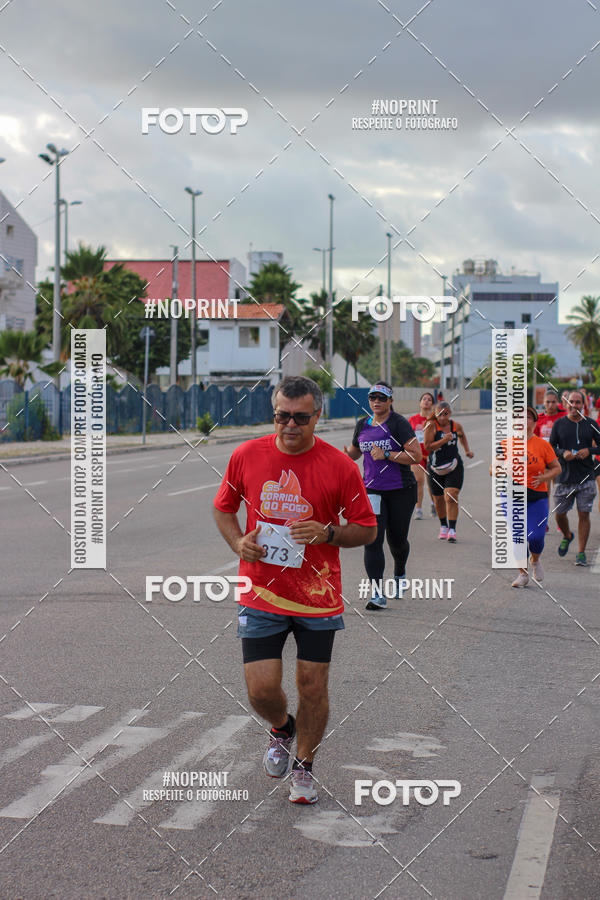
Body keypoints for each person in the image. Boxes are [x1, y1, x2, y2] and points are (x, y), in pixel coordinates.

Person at [213, 375, 377, 805]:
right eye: (282, 416)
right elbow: (223, 508)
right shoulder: (247, 455)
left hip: (317, 597)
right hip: (260, 592)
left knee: (312, 686)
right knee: (261, 690)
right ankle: (282, 728)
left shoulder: (340, 466)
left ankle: (304, 766)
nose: (289, 425)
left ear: (317, 416)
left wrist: (328, 533)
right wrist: (238, 543)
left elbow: (366, 529)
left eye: (300, 418)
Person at [344, 381, 421, 611]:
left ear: (390, 401)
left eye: (381, 398)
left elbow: (416, 456)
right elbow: (356, 452)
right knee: (372, 539)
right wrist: (346, 456)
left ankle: (399, 573)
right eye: (373, 398)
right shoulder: (362, 424)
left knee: (397, 541)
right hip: (372, 490)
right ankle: (377, 593)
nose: (376, 401)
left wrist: (387, 454)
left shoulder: (398, 423)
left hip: (401, 491)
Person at [492, 407, 561, 587]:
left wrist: (545, 477)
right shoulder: (505, 443)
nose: (523, 420)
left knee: (536, 537)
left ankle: (535, 560)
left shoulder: (542, 445)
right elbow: (493, 469)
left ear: (534, 422)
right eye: (518, 417)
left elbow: (557, 468)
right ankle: (522, 574)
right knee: (518, 536)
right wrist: (502, 468)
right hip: (511, 496)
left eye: (528, 417)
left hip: (537, 496)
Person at [549, 390, 600, 566]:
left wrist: (589, 450)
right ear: (566, 403)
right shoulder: (559, 424)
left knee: (584, 514)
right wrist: (563, 453)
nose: (574, 405)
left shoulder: (591, 424)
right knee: (559, 514)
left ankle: (581, 552)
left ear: (583, 405)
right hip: (564, 477)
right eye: (571, 401)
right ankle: (567, 535)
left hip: (586, 477)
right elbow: (551, 447)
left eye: (578, 402)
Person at [424, 401, 474, 542]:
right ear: (435, 414)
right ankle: (443, 526)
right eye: (439, 414)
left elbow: (462, 436)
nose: (442, 417)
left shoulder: (456, 426)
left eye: (445, 414)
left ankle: (452, 529)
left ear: (450, 413)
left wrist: (467, 450)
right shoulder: (431, 426)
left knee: (451, 496)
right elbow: (428, 446)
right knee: (438, 499)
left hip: (453, 465)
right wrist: (444, 440)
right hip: (435, 468)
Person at [409, 392, 436, 519]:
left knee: (431, 483)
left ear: (432, 404)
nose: (426, 401)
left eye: (429, 399)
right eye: (424, 399)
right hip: (417, 456)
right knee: (418, 481)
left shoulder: (435, 420)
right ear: (420, 403)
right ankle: (418, 509)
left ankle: (434, 504)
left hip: (432, 455)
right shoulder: (412, 420)